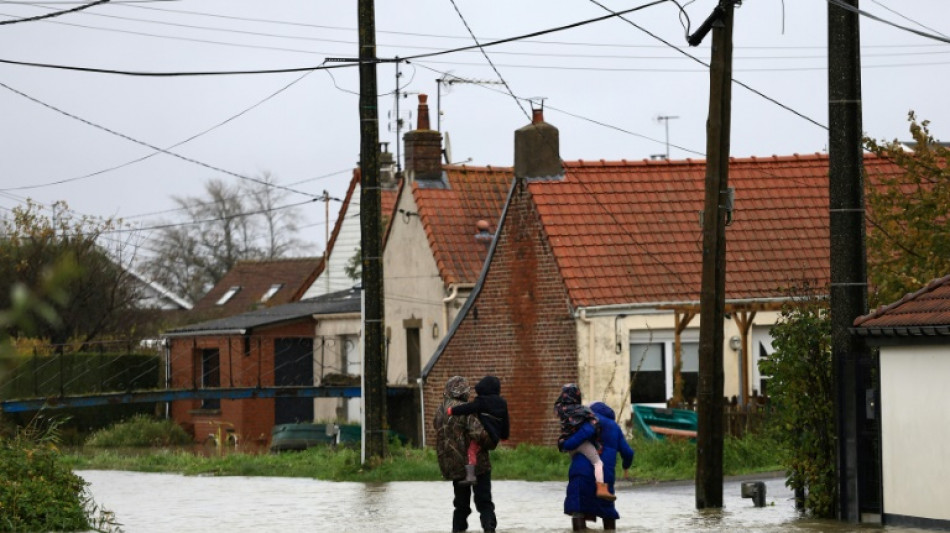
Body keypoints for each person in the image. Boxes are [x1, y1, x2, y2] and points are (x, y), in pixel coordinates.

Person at [561, 391, 634, 531]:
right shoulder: (615, 428)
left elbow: (576, 440)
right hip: (605, 478)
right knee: (607, 510)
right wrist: (626, 466)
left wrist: (565, 445)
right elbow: (628, 453)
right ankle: (610, 528)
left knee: (579, 508)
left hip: (581, 475)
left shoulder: (587, 421)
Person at [434, 376, 498, 533]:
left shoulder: (440, 411)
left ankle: (457, 530)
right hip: (477, 467)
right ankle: (489, 529)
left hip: (454, 467)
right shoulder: (466, 409)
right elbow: (481, 435)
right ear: (463, 391)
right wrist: (493, 439)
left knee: (460, 505)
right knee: (484, 502)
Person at [447, 375, 510, 485]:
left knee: (471, 450)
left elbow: (467, 408)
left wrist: (452, 411)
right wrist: (504, 436)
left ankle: (470, 476)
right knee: (478, 451)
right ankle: (480, 471)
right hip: (494, 440)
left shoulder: (482, 401)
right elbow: (505, 422)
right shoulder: (502, 403)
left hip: (484, 435)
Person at [554, 384, 613, 501]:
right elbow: (594, 422)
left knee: (576, 465)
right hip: (583, 444)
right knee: (597, 463)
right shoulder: (582, 410)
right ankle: (601, 488)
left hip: (568, 444)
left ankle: (577, 487)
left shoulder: (560, 410)